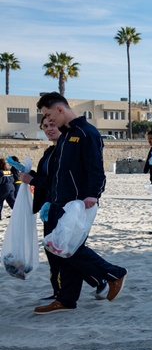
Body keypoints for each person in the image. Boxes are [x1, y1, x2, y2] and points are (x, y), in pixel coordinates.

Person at [19, 92, 127, 314]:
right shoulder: (66, 137)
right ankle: (67, 299)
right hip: (59, 202)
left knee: (70, 248)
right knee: (62, 250)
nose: (49, 122)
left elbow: (96, 168)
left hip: (78, 203)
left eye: (49, 115)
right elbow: (57, 174)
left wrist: (93, 194)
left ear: (60, 109)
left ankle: (114, 273)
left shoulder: (87, 133)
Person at [17, 118, 109, 303]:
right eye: (45, 126)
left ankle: (92, 282)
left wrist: (32, 180)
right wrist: (29, 175)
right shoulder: (50, 151)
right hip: (49, 206)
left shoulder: (66, 151)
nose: (49, 129)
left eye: (53, 125)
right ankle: (87, 285)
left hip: (64, 207)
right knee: (58, 251)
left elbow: (58, 181)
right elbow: (47, 177)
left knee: (63, 250)